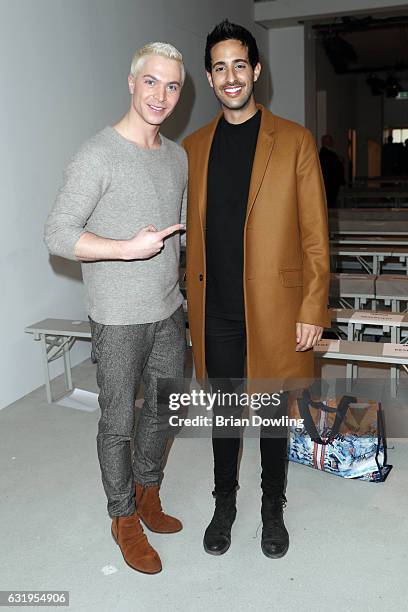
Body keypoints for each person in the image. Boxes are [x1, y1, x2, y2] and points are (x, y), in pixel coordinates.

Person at [182, 20, 330, 559]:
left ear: (257, 71)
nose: (230, 76)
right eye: (219, 67)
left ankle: (273, 508)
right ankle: (225, 504)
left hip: (275, 307)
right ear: (210, 76)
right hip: (215, 307)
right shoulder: (193, 147)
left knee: (270, 414)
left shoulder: (293, 140)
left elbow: (316, 234)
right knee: (224, 413)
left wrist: (313, 304)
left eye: (239, 64)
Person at [44, 42, 187, 575]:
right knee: (118, 421)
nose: (161, 95)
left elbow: (175, 230)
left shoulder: (177, 156)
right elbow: (57, 233)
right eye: (151, 81)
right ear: (132, 82)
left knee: (166, 408)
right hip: (118, 315)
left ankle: (147, 491)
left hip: (169, 308)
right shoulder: (96, 155)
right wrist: (123, 248)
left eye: (172, 86)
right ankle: (123, 517)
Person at [319, 134, 345, 207]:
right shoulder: (326, 154)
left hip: (330, 182)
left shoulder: (326, 153)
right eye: (330, 140)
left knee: (330, 201)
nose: (332, 142)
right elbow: (333, 168)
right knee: (330, 202)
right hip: (330, 182)